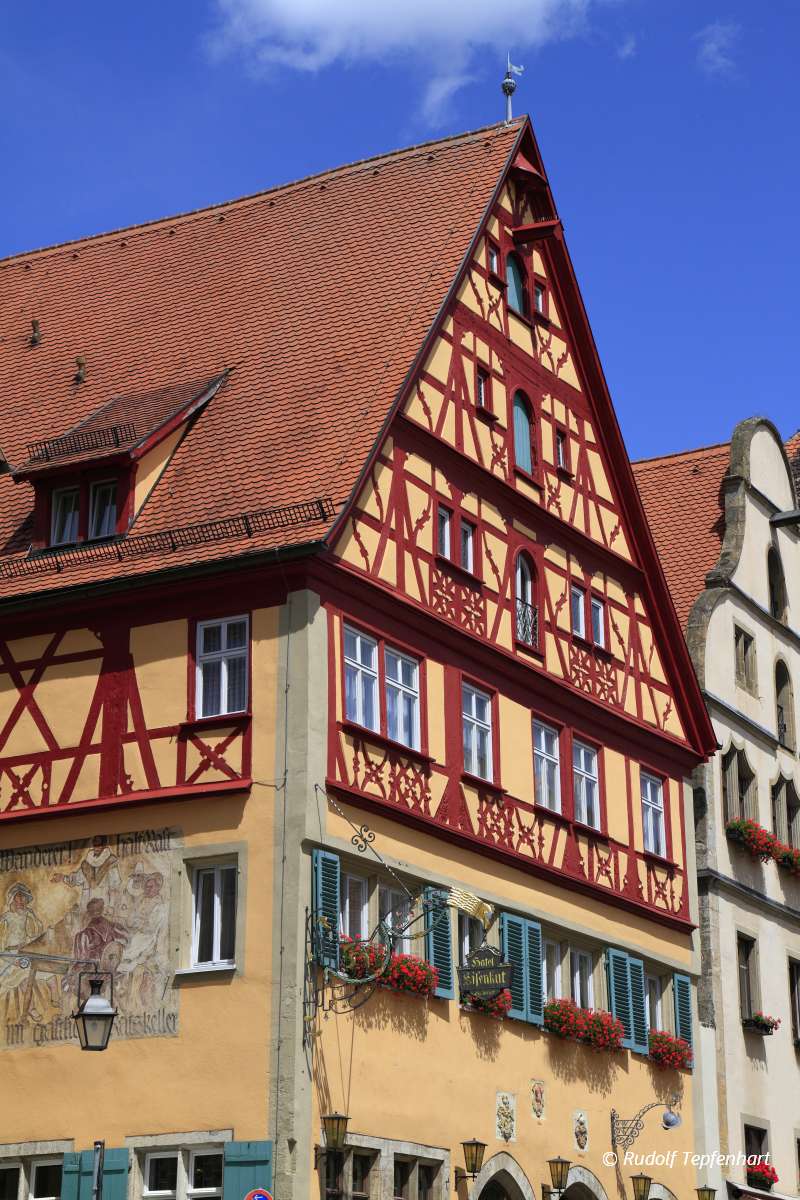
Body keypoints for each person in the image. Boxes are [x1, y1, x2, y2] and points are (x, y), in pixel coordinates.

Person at [51, 835, 122, 915]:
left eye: (99, 845)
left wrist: (111, 906)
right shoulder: (87, 864)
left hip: (103, 909)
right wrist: (63, 877)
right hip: (86, 909)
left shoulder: (110, 862)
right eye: (95, 845)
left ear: (104, 846)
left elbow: (115, 887)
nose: (97, 848)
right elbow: (76, 879)